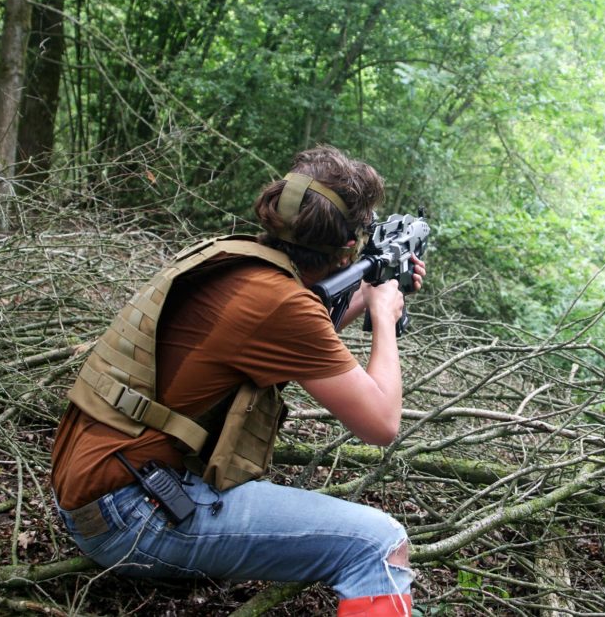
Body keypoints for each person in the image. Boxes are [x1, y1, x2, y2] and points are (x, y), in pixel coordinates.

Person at [51, 145, 424, 617]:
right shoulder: (284, 303)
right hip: (128, 516)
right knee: (379, 544)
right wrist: (383, 315)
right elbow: (381, 424)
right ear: (349, 246)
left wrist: (369, 293)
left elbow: (302, 338)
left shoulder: (238, 263)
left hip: (97, 495)